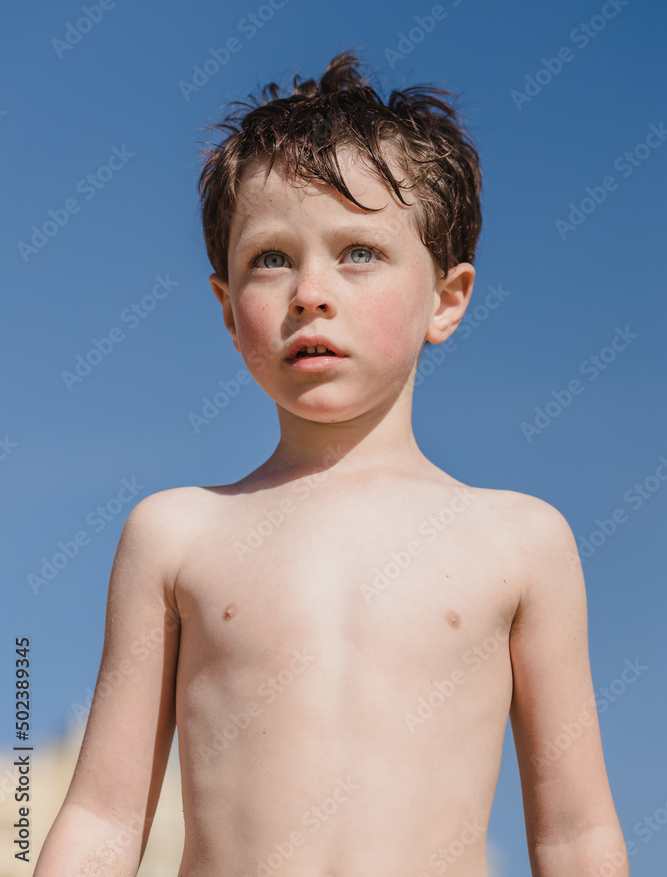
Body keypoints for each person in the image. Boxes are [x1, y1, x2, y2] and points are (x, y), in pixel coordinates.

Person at [34, 50, 629, 877]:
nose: (309, 290)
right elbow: (102, 816)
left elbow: (573, 833)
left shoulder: (521, 541)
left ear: (446, 299)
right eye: (270, 259)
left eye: (358, 253)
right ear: (226, 309)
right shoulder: (176, 535)